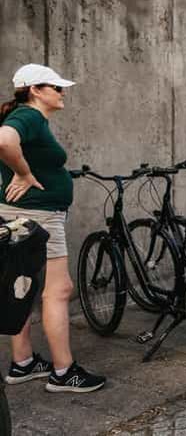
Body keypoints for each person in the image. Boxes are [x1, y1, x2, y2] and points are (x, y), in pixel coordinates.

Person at [0, 64, 105, 392]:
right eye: (56, 88)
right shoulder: (28, 116)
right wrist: (24, 173)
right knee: (58, 291)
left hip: (20, 212)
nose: (62, 93)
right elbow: (4, 142)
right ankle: (63, 372)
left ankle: (23, 363)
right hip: (39, 215)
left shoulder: (26, 116)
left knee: (22, 284)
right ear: (35, 90)